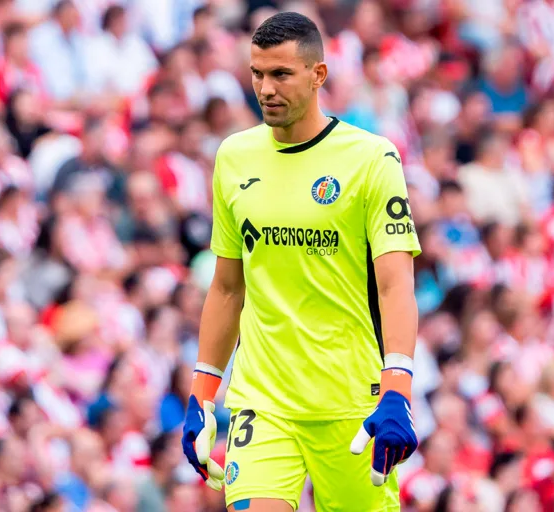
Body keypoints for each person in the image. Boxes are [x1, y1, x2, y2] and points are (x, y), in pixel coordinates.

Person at [181, 11, 421, 512]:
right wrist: (202, 393)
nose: (265, 89)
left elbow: (396, 285)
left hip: (351, 402)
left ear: (318, 75)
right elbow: (227, 287)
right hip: (262, 399)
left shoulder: (371, 159)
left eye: (281, 74)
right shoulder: (234, 157)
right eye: (257, 74)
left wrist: (398, 387)